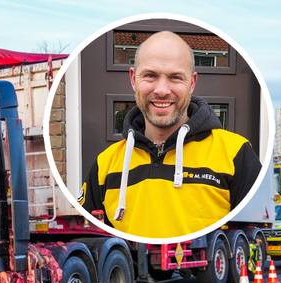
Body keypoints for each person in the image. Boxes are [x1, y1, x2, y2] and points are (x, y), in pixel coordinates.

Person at [78, 31, 262, 238]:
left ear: (192, 82)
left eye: (175, 77)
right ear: (133, 79)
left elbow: (249, 234)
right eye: (150, 76)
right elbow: (89, 234)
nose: (162, 90)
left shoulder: (235, 153)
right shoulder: (106, 163)